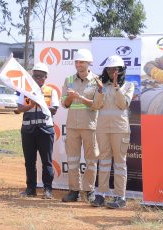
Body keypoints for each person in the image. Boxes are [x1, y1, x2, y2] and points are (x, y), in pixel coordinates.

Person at [86, 55, 136, 209]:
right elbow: (95, 105)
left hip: (120, 129)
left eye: (115, 69)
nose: (112, 71)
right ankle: (101, 194)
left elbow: (123, 105)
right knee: (105, 161)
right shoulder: (101, 86)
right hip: (102, 129)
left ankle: (120, 197)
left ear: (121, 70)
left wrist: (116, 88)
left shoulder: (128, 85)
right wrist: (101, 91)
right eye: (109, 69)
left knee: (120, 163)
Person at [15, 63, 60, 199]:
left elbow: (54, 109)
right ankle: (31, 189)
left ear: (46, 77)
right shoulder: (25, 91)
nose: (37, 79)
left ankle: (47, 189)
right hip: (28, 130)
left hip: (45, 129)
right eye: (35, 76)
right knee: (29, 161)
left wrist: (41, 103)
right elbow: (18, 108)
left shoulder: (51, 91)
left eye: (40, 76)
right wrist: (31, 104)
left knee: (46, 161)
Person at [61, 48, 101, 202]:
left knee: (91, 160)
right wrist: (71, 98)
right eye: (76, 62)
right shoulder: (69, 80)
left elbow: (97, 104)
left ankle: (89, 190)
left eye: (81, 62)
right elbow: (65, 104)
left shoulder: (97, 80)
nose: (78, 64)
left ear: (88, 63)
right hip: (72, 126)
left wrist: (80, 97)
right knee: (72, 159)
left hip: (90, 126)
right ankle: (74, 191)